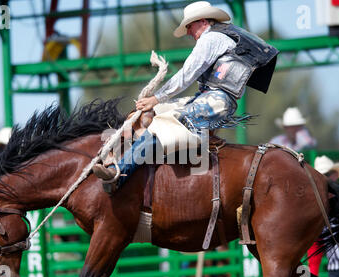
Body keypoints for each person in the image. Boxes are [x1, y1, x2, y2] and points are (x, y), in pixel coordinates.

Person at [92, 1, 279, 192]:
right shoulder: (219, 37)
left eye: (189, 26)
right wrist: (157, 103)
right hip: (211, 100)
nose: (188, 31)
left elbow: (187, 74)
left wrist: (157, 97)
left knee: (164, 124)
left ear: (203, 22)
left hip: (216, 101)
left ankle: (119, 173)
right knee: (153, 114)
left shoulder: (210, 39)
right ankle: (128, 157)